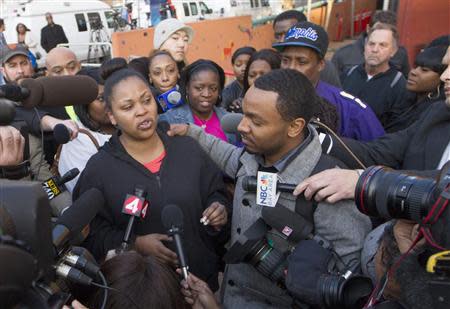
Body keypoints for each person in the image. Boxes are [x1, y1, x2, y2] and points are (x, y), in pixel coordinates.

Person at [168, 69, 371, 308]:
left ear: (294, 127)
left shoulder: (329, 187)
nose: (242, 126)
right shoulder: (253, 156)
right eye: (244, 115)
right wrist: (192, 133)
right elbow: (229, 156)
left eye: (256, 121)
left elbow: (348, 278)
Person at [73, 58, 230, 292]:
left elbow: (216, 192)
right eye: (127, 107)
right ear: (112, 116)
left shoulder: (187, 148)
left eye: (146, 100)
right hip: (144, 293)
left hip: (202, 285)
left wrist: (219, 208)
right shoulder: (99, 169)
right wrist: (136, 244)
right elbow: (90, 233)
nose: (141, 111)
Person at [294, 46, 450, 204]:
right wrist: (315, 139)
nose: (445, 76)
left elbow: (444, 182)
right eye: (445, 67)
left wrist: (364, 181)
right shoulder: (438, 113)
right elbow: (380, 151)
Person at [273, 21, 385, 141]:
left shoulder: (351, 110)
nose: (291, 68)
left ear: (321, 65)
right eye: (285, 60)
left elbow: (379, 153)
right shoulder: (268, 99)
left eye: (302, 62)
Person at [0, 45, 78, 180]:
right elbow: (41, 171)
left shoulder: (50, 92)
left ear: (31, 64)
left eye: (23, 63)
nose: (20, 70)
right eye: (12, 66)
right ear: (3, 70)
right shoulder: (5, 105)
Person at [58, 68, 114, 193]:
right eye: (101, 98)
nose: (110, 103)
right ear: (83, 104)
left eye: (112, 95)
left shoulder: (125, 125)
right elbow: (86, 191)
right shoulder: (77, 138)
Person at [342, 23, 408, 128]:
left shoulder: (399, 84)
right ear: (364, 47)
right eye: (371, 44)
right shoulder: (349, 73)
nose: (375, 50)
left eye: (383, 45)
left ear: (393, 51)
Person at [159, 59, 237, 144]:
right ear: (187, 88)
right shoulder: (170, 119)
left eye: (213, 88)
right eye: (199, 88)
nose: (206, 94)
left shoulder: (229, 120)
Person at [332, 10, 410, 82]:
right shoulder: (343, 55)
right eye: (378, 30)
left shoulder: (400, 54)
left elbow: (405, 84)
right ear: (368, 29)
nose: (375, 50)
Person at [272, 9, 342, 88]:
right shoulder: (270, 62)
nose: (282, 40)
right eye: (278, 36)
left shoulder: (327, 70)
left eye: (302, 62)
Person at [386, 44, 447, 132]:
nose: (413, 72)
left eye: (424, 70)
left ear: (443, 77)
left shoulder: (437, 113)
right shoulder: (403, 98)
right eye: (415, 67)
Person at [227, 48, 281, 113]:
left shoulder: (286, 109)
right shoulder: (240, 107)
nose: (257, 80)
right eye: (252, 75)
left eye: (264, 75)